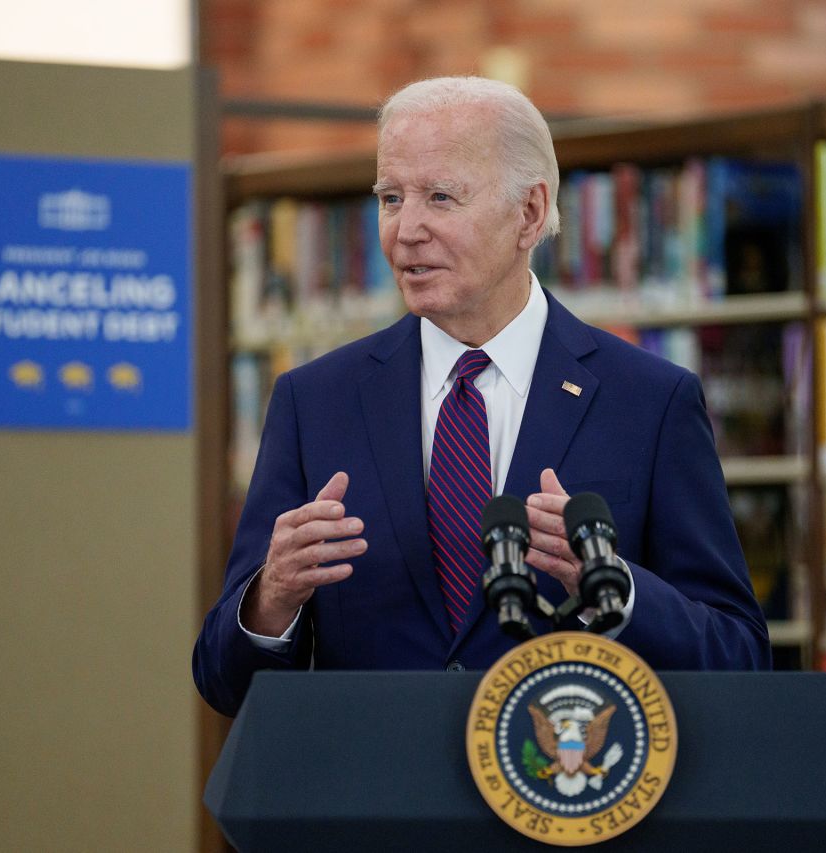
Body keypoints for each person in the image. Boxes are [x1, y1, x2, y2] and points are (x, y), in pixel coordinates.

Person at [194, 76, 770, 717]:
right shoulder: (314, 401)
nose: (406, 229)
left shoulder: (650, 402)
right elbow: (223, 682)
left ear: (528, 213)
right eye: (390, 198)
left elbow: (738, 656)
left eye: (440, 197)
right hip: (375, 804)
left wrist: (615, 589)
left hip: (565, 791)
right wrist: (271, 598)